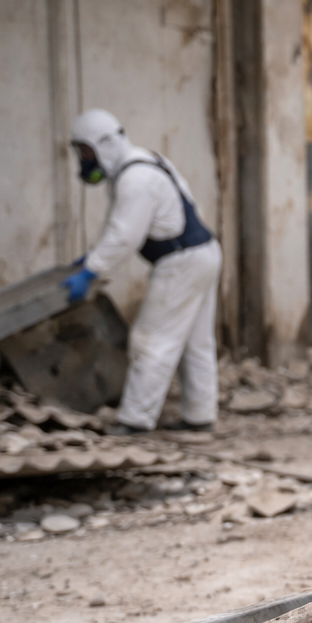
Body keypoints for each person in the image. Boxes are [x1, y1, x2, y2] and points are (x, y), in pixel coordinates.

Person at [63, 109, 222, 435]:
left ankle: (135, 421)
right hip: (203, 253)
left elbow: (124, 235)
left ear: (103, 144)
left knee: (151, 340)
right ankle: (199, 417)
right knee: (195, 343)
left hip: (181, 262)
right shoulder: (145, 161)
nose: (84, 159)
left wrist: (91, 270)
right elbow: (123, 224)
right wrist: (92, 256)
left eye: (85, 151)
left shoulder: (135, 179)